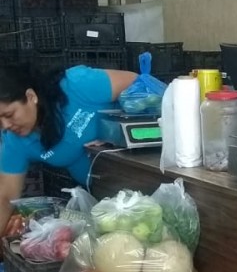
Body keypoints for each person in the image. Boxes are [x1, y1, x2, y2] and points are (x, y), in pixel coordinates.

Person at [0, 65, 136, 233]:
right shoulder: (15, 141)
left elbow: (137, 84)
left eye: (9, 115)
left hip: (145, 172)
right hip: (106, 197)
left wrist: (114, 132)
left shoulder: (76, 85)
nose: (5, 126)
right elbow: (5, 198)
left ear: (31, 96)